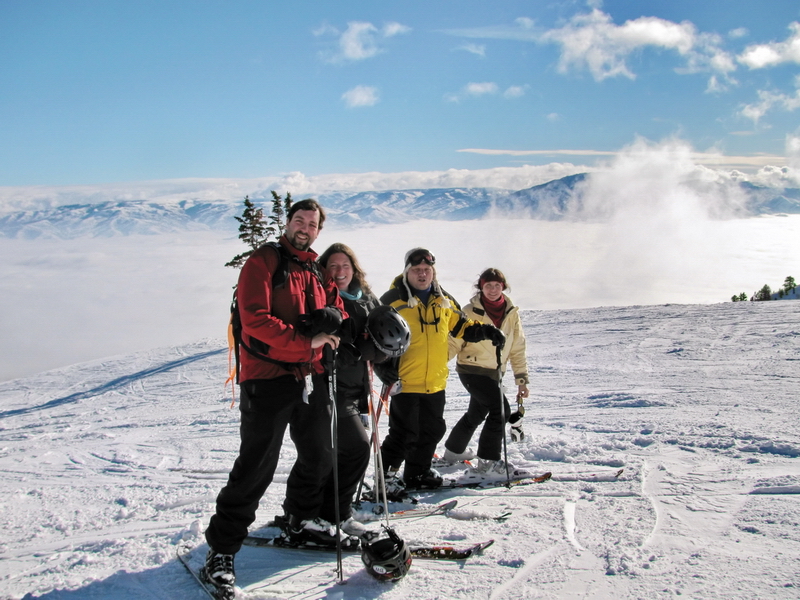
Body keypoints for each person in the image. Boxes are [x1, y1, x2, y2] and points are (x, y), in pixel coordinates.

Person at [202, 199, 349, 593]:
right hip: (267, 379)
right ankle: (221, 549)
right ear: (287, 223)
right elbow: (255, 320)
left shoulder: (315, 269)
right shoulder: (264, 262)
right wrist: (308, 341)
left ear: (319, 230)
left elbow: (337, 306)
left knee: (320, 454)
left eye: (312, 223)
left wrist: (335, 318)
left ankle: (300, 519)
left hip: (310, 376)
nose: (304, 227)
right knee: (257, 466)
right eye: (298, 220)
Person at [378, 248, 505, 491]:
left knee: (432, 431)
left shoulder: (444, 300)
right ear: (407, 272)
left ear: (433, 272)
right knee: (403, 435)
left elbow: (463, 327)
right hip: (404, 381)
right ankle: (385, 480)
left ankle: (417, 473)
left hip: (435, 382)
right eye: (417, 270)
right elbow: (374, 335)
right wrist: (381, 367)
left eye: (427, 270)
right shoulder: (392, 300)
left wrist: (486, 331)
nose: (422, 274)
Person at [310, 243, 393, 536]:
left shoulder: (365, 297)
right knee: (356, 449)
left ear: (354, 268)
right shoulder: (321, 298)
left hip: (358, 387)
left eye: (345, 266)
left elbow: (377, 333)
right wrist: (358, 351)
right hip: (330, 384)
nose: (340, 271)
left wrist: (383, 355)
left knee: (342, 452)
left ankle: (328, 512)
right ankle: (333, 514)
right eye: (333, 266)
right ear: (324, 270)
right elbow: (328, 341)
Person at [443, 268, 530, 474]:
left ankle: (453, 452)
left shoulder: (511, 314)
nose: (492, 289)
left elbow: (517, 347)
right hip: (471, 369)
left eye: (496, 285)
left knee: (477, 413)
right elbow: (454, 342)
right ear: (481, 288)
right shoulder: (469, 310)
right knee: (501, 411)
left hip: (495, 372)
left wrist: (522, 379)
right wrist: (437, 361)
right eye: (488, 285)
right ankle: (488, 462)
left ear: (503, 287)